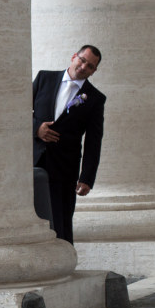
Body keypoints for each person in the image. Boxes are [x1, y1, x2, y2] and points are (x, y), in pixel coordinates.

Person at [32, 45, 106, 244]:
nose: (83, 67)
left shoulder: (95, 99)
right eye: (82, 60)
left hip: (65, 167)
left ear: (94, 71)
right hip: (33, 159)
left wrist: (87, 177)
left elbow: (93, 140)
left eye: (90, 66)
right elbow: (18, 112)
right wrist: (37, 128)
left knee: (61, 217)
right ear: (74, 57)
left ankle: (63, 257)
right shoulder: (44, 78)